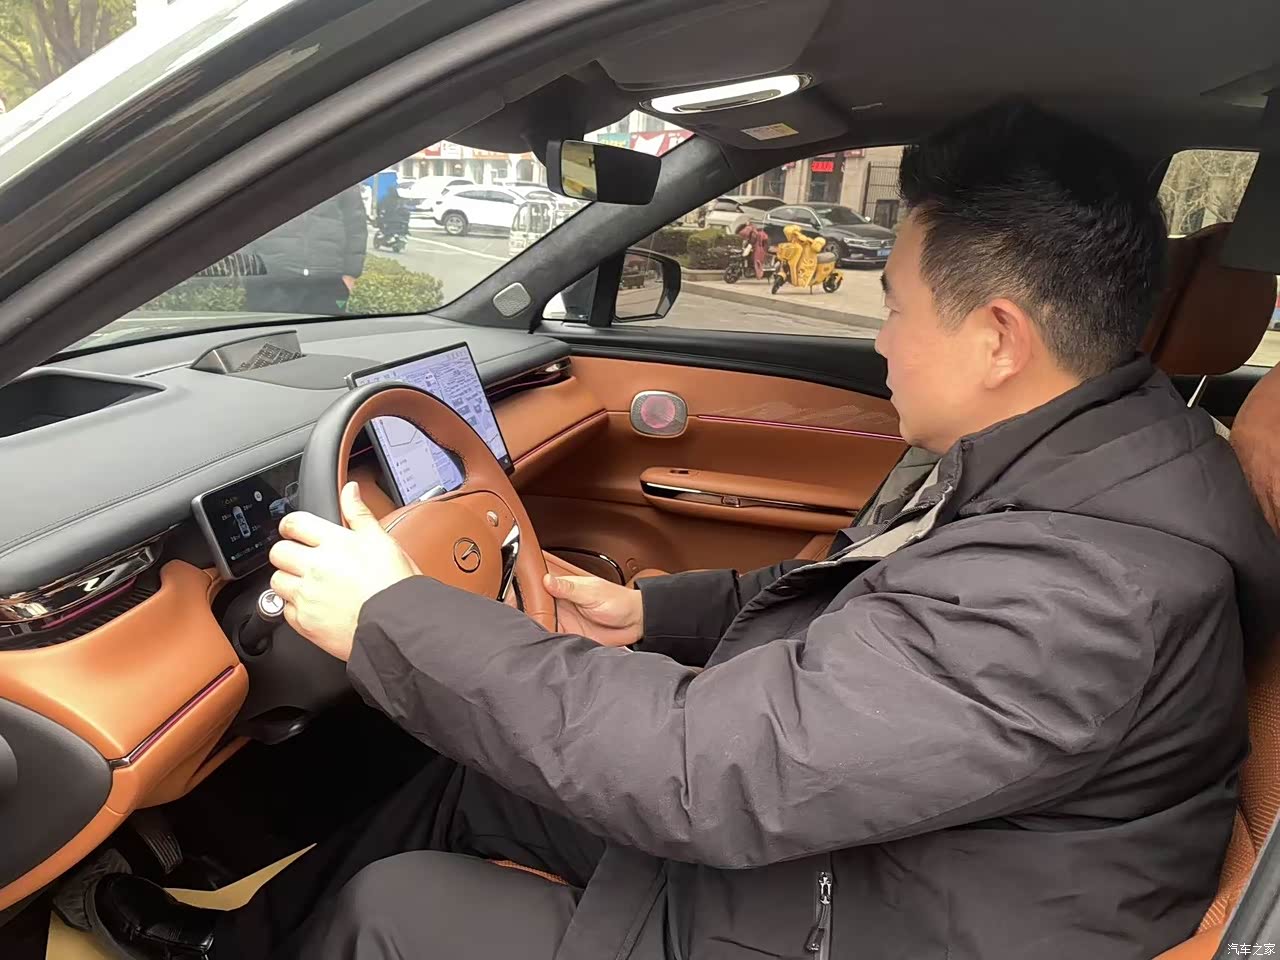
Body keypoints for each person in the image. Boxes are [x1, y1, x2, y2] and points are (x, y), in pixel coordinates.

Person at [88, 102, 1280, 960]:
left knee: (400, 914)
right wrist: (648, 611)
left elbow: (707, 776)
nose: (878, 339)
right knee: (477, 774)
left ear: (998, 338)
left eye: (896, 306)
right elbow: (880, 603)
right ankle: (236, 945)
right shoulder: (1101, 456)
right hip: (912, 851)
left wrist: (391, 617)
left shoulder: (1090, 584)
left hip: (897, 918)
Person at [243, 184, 367, 315]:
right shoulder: (267, 175)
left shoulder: (339, 177)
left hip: (327, 283)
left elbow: (356, 226)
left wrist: (350, 274)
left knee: (322, 328)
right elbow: (245, 220)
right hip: (271, 281)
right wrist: (248, 271)